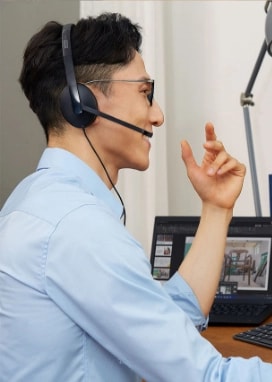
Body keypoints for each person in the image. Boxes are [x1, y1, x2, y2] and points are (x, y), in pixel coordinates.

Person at [0, 12, 270, 382]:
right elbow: (205, 376)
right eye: (145, 93)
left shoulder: (34, 201)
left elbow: (163, 326)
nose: (157, 116)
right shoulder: (78, 227)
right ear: (84, 103)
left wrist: (216, 208)